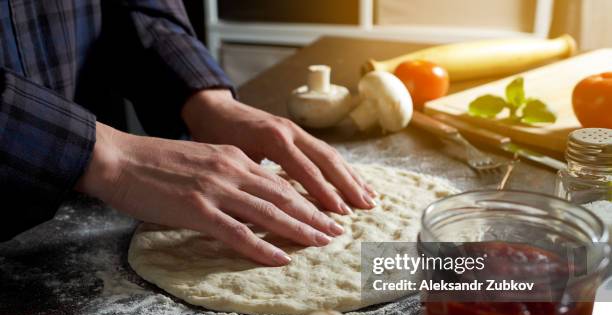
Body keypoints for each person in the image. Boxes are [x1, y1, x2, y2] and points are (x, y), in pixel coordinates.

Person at [0, 1, 375, 266]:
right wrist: (107, 155)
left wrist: (205, 101)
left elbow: (136, 6)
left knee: (433, 277)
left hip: (83, 201)